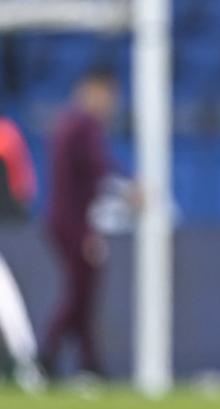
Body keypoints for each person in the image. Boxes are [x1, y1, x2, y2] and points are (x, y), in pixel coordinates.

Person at [40, 67, 121, 378]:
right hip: (75, 222)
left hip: (64, 219)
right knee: (81, 292)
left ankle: (89, 362)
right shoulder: (84, 125)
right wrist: (129, 190)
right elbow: (99, 170)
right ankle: (47, 354)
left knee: (82, 290)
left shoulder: (65, 124)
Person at [0, 115, 45, 392]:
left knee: (6, 300)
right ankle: (25, 363)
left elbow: (20, 192)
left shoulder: (5, 135)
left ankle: (24, 362)